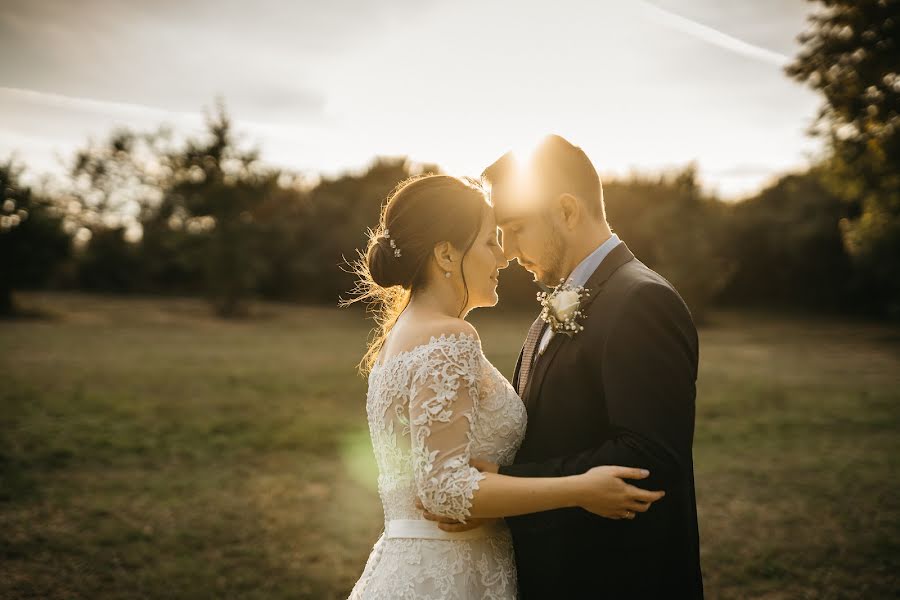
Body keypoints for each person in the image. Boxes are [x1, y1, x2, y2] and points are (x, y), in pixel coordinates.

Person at [347, 174, 664, 599]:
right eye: (491, 241)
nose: (503, 257)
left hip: (410, 565)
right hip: (455, 576)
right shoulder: (451, 337)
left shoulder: (399, 336)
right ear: (446, 254)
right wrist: (580, 488)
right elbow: (444, 489)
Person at [425, 135, 704, 598]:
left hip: (620, 577)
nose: (508, 251)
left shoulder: (641, 300)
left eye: (515, 227)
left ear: (568, 211)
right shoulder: (564, 299)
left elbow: (650, 457)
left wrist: (503, 488)